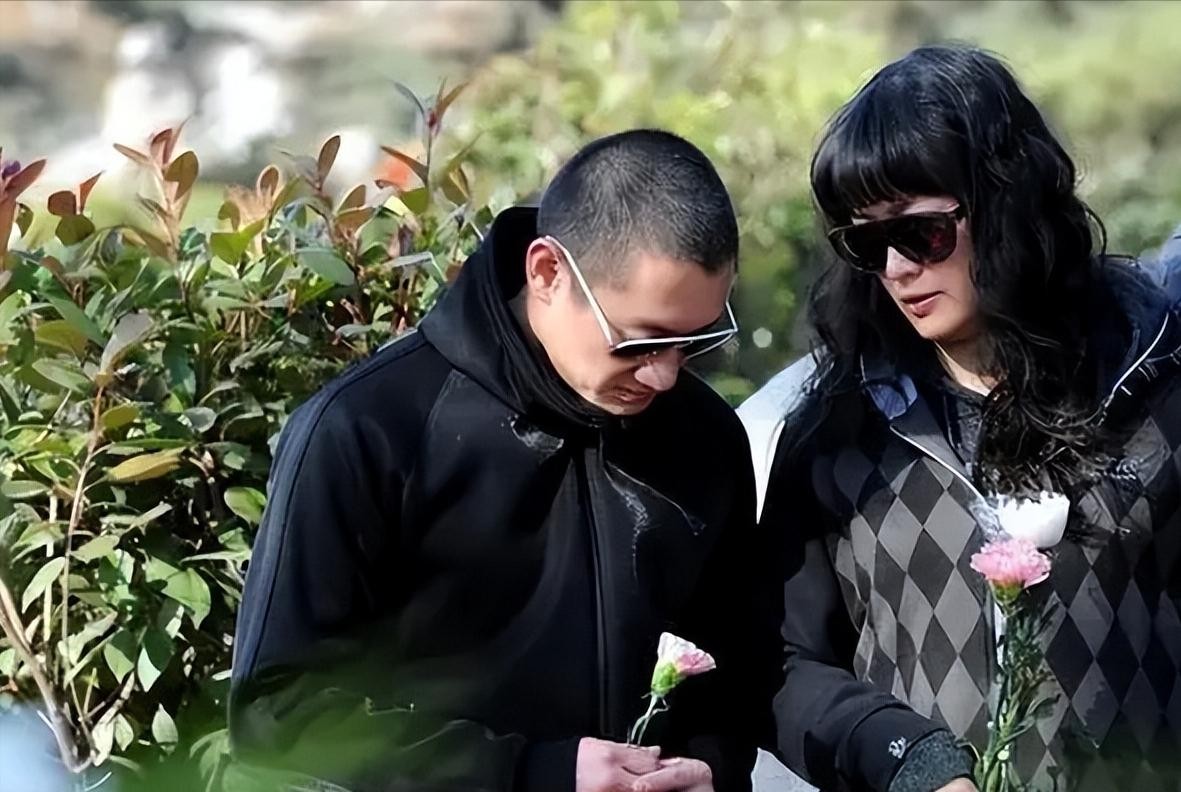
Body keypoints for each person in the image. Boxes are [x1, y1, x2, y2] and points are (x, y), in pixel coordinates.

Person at [229, 129, 779, 792]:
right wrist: (534, 774)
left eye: (694, 342)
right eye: (640, 342)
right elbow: (279, 712)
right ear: (546, 273)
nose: (663, 376)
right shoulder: (368, 430)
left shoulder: (707, 437)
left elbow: (738, 671)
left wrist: (712, 766)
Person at [744, 45, 1181, 792]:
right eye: (865, 242)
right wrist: (905, 759)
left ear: (1008, 205)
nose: (896, 269)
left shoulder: (1156, 388)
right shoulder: (835, 434)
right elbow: (774, 665)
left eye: (922, 233)